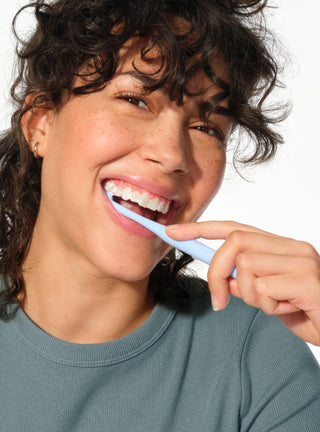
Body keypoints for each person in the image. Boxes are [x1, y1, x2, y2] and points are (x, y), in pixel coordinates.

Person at [0, 0, 319, 430]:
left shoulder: (259, 356)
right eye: (134, 99)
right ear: (41, 124)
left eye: (207, 128)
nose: (172, 156)